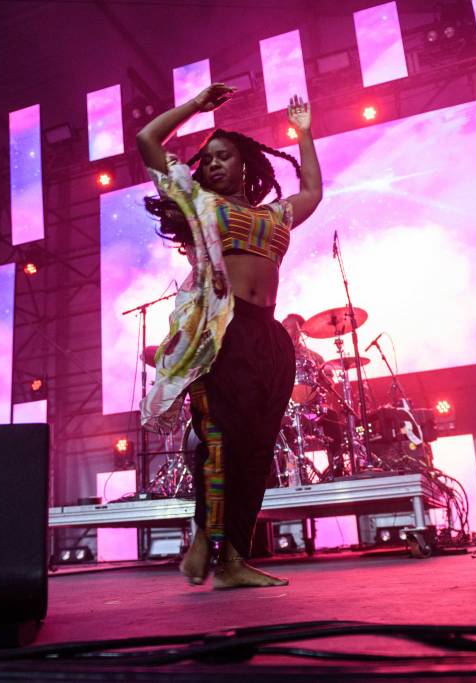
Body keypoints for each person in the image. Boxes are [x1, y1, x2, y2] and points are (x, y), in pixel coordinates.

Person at [137, 84, 322, 588]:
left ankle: (232, 555)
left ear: (245, 165)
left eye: (223, 157)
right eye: (208, 159)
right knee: (220, 439)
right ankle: (211, 541)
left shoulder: (275, 215)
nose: (213, 164)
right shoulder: (197, 203)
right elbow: (147, 139)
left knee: (258, 450)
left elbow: (312, 192)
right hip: (224, 329)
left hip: (270, 338)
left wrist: (303, 133)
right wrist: (196, 107)